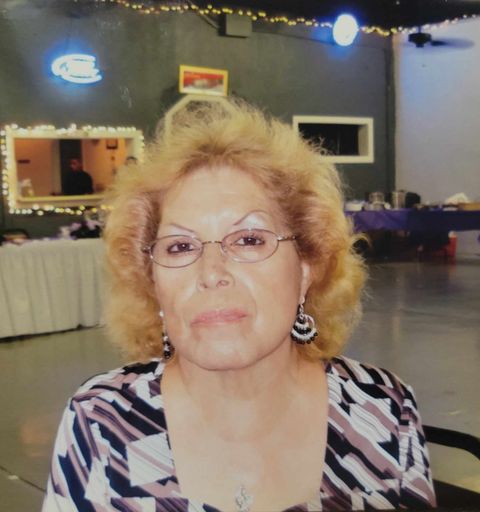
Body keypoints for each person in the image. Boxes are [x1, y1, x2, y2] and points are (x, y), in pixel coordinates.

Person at [43, 99, 436, 511]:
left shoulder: (383, 412)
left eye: (249, 240)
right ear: (152, 281)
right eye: (180, 246)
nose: (212, 273)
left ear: (307, 267)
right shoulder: (100, 423)